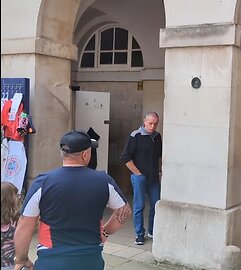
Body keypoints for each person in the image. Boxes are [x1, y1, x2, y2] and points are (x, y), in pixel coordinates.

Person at [13, 130, 131, 270]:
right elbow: (124, 211)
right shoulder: (104, 181)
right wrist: (105, 232)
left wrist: (21, 258)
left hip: (52, 260)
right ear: (85, 154)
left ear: (62, 153)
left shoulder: (43, 182)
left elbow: (24, 224)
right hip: (90, 260)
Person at [120, 112, 162, 245]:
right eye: (150, 123)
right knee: (139, 205)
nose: (153, 126)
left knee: (156, 204)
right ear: (145, 121)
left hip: (154, 177)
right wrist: (138, 173)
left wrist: (160, 170)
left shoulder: (157, 136)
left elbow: (159, 156)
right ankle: (139, 234)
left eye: (155, 124)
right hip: (139, 177)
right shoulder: (135, 136)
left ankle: (152, 230)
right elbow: (125, 157)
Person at [1, 182, 20, 270]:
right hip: (11, 264)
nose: (18, 198)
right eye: (16, 195)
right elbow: (21, 245)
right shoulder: (16, 220)